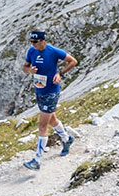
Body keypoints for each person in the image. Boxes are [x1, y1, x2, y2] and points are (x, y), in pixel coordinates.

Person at [21, 29, 77, 169]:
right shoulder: (32, 51)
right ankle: (67, 139)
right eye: (31, 42)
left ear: (42, 41)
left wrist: (60, 74)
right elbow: (25, 67)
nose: (33, 44)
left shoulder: (53, 51)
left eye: (35, 42)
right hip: (39, 90)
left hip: (51, 91)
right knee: (52, 119)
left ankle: (37, 160)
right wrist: (30, 71)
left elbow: (73, 61)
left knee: (42, 125)